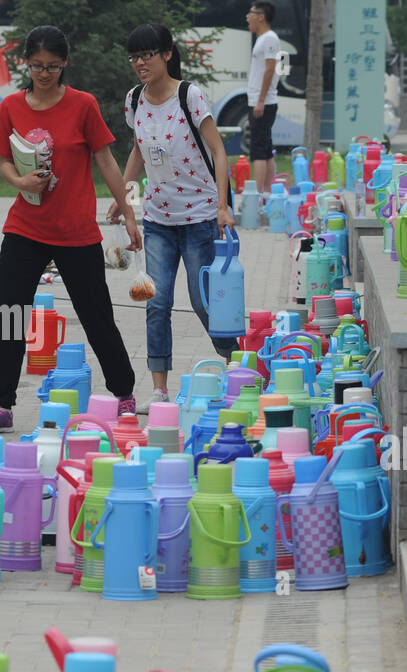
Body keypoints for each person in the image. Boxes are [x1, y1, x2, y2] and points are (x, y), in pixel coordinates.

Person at [0, 25, 141, 429]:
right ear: (26, 64)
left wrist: (127, 211)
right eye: (37, 65)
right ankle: (0, 404)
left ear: (65, 63)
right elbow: (1, 159)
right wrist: (20, 183)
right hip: (24, 230)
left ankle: (124, 393)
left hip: (76, 232)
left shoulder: (83, 105)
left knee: (97, 316)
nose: (44, 73)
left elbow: (106, 160)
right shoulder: (11, 108)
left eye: (53, 66)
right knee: (10, 316)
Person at [109, 23, 238, 407]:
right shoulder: (134, 100)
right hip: (157, 222)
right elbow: (137, 150)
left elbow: (218, 151)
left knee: (204, 302)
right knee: (157, 302)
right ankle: (161, 390)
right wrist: (124, 193)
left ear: (167, 54)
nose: (140, 63)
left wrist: (222, 206)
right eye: (134, 56)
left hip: (200, 219)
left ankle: (238, 362)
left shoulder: (190, 96)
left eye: (147, 54)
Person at [245, 2, 281, 194]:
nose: (247, 17)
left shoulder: (269, 39)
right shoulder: (262, 39)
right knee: (265, 148)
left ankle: (257, 195)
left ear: (261, 16)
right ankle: (267, 191)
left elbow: (270, 69)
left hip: (263, 102)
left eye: (250, 13)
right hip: (260, 100)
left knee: (258, 149)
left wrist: (260, 100)